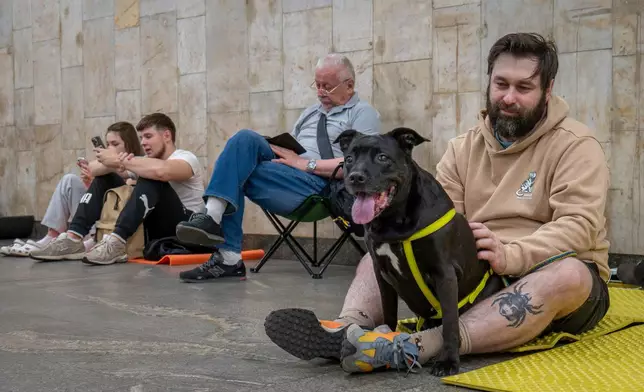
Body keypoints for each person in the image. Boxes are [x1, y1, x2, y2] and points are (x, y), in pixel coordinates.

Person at [264, 33, 611, 374]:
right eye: (501, 84)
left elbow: (578, 228)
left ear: (547, 90)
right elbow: (440, 222)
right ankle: (348, 330)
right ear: (489, 83)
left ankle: (415, 347)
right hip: (475, 273)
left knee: (569, 275)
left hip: (545, 274)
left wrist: (512, 254)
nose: (508, 97)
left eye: (523, 87)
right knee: (381, 253)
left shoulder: (577, 145)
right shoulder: (463, 148)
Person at [174, 53, 382, 282]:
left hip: (321, 186)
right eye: (318, 85)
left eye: (328, 87)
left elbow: (360, 165)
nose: (320, 91)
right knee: (244, 141)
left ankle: (224, 246)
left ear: (349, 85)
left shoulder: (363, 113)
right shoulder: (310, 113)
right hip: (287, 176)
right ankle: (217, 228)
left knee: (233, 170)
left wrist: (304, 164)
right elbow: (290, 149)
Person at [30, 113, 206, 265]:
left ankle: (117, 241)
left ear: (167, 135)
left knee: (151, 175)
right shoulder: (144, 161)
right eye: (142, 138)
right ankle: (74, 238)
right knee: (106, 177)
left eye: (148, 136)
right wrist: (111, 160)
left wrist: (120, 161)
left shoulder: (186, 157)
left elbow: (162, 171)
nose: (143, 142)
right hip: (154, 228)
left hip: (186, 226)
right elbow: (94, 169)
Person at [0, 122, 143, 257]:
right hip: (92, 218)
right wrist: (94, 179)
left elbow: (125, 183)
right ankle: (52, 237)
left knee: (107, 176)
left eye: (115, 144)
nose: (109, 148)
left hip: (114, 225)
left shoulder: (137, 161)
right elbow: (93, 168)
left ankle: (79, 238)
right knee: (70, 180)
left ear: (129, 145)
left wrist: (111, 164)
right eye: (108, 144)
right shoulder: (110, 165)